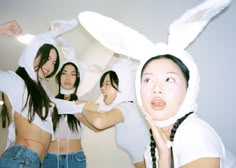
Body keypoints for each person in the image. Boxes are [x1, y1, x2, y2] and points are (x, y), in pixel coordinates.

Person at [0, 19, 86, 168]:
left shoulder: (42, 93)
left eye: (54, 63)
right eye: (47, 59)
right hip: (21, 158)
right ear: (32, 52)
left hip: (35, 161)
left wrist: (82, 106)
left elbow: (58, 104)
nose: (50, 66)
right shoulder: (13, 80)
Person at [76, 60, 150, 168]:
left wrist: (83, 108)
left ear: (122, 84)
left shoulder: (127, 107)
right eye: (102, 85)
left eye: (107, 84)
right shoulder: (124, 109)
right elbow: (97, 127)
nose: (102, 88)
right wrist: (80, 115)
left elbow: (99, 122)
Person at [43, 58, 96, 168]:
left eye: (73, 74)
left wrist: (117, 52)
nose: (68, 77)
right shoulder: (50, 102)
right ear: (58, 77)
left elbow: (100, 84)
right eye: (64, 73)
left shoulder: (82, 102)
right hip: (50, 159)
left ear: (77, 79)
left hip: (75, 160)